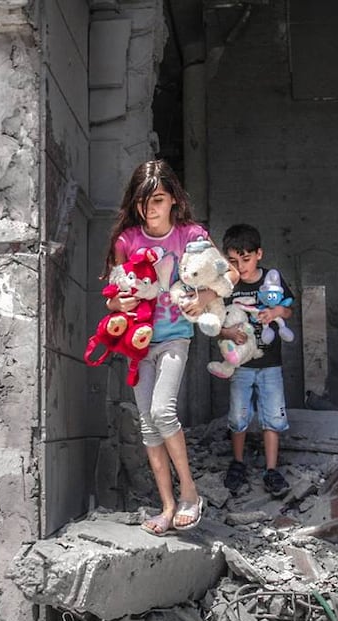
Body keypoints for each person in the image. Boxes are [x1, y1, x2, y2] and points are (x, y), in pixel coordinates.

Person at [101, 159, 220, 535]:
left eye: (157, 200)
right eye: (142, 202)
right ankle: (167, 507)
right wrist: (117, 305)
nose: (149, 210)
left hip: (173, 338)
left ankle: (190, 493)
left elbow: (226, 274)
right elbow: (112, 297)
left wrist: (203, 295)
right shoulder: (127, 240)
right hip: (137, 344)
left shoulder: (190, 235)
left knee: (162, 412)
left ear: (173, 201)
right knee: (148, 427)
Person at [218, 223, 294, 498]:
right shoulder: (227, 287)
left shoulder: (272, 279)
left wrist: (274, 312)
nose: (241, 267)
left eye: (246, 259)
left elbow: (288, 310)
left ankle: (271, 470)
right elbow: (212, 322)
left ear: (259, 254)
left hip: (270, 365)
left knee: (272, 416)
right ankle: (237, 463)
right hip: (240, 365)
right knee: (238, 416)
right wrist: (228, 332)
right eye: (233, 262)